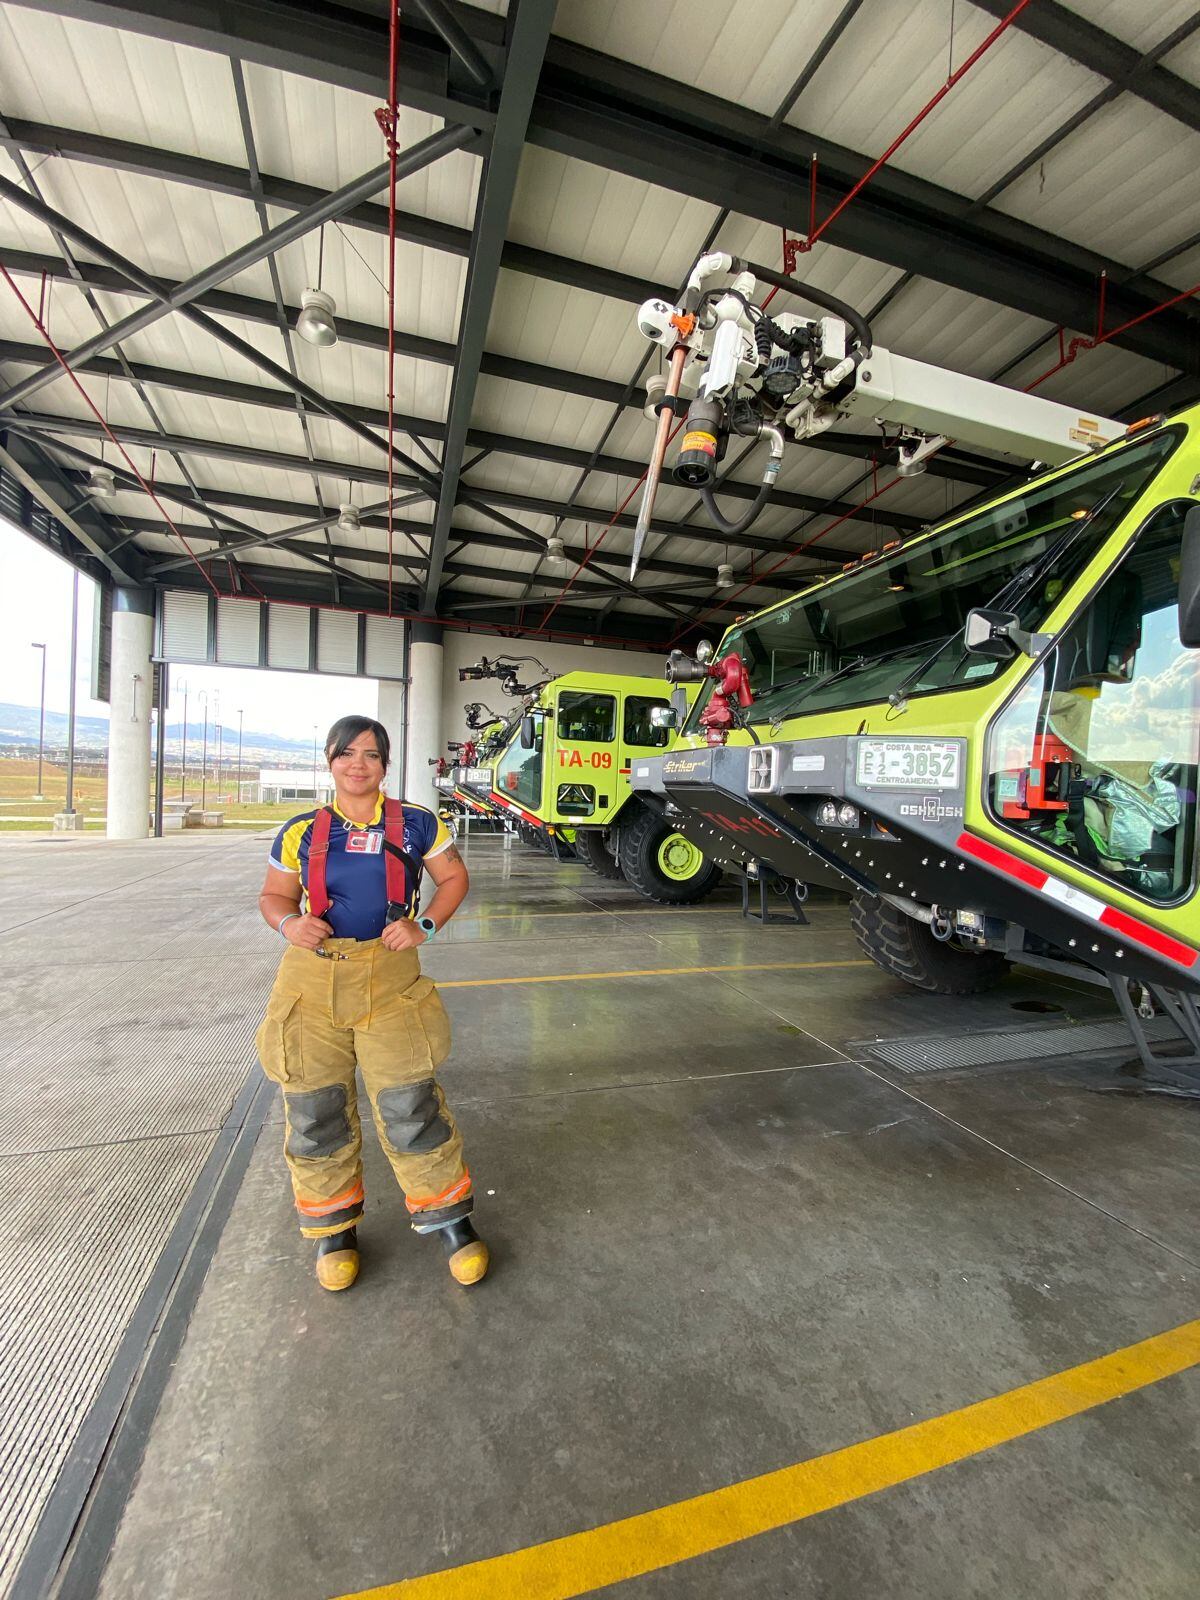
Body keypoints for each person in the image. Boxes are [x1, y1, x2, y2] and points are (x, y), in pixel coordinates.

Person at [256, 715, 486, 1293]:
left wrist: (424, 925)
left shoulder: (417, 823)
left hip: (391, 982)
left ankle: (449, 1219)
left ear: (385, 764)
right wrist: (289, 923)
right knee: (316, 1111)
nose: (358, 764)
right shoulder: (300, 831)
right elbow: (274, 895)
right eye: (346, 753)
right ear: (329, 760)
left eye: (371, 754)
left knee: (411, 1104)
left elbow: (454, 879)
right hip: (312, 983)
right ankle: (333, 1230)